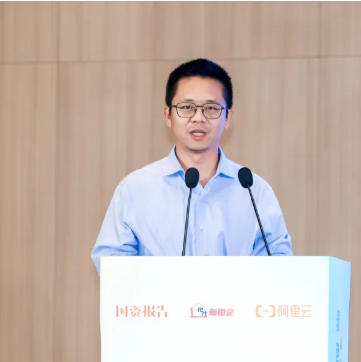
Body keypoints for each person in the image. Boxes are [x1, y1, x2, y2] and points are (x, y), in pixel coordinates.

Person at [91, 58, 292, 273]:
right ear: (168, 115)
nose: (198, 118)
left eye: (211, 108)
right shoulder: (135, 189)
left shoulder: (254, 191)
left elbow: (278, 267)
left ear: (228, 117)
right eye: (187, 107)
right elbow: (111, 264)